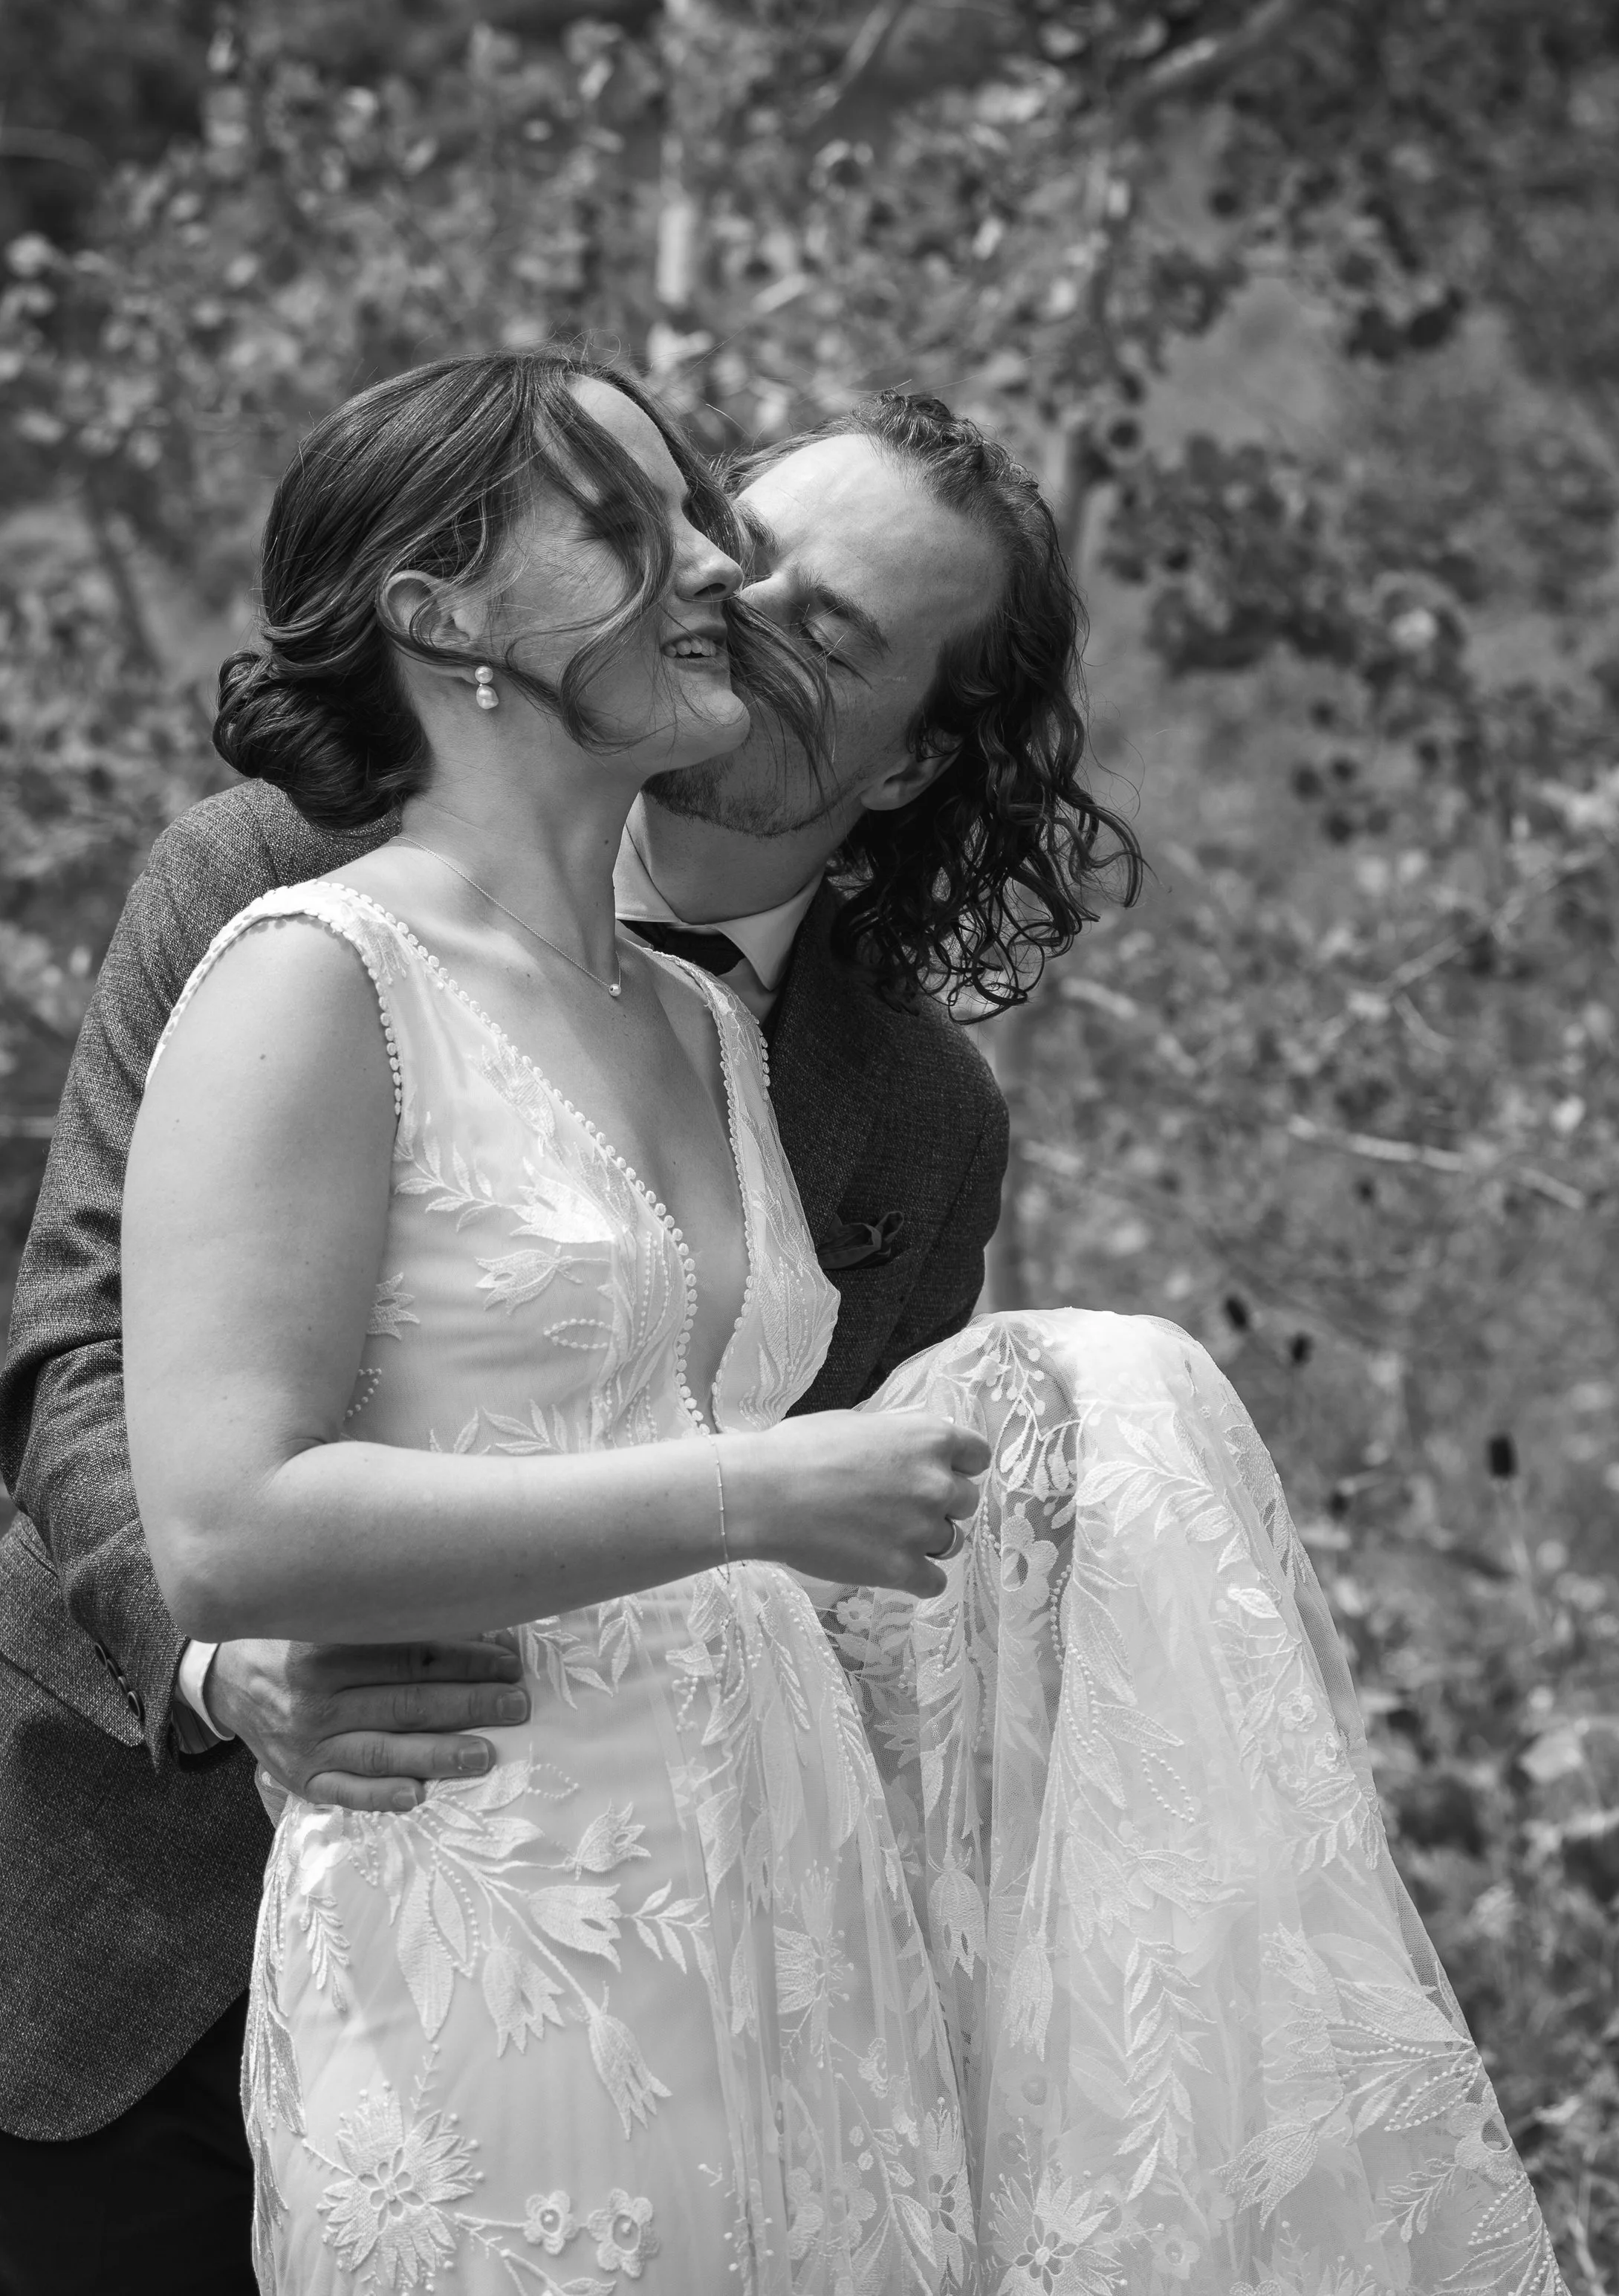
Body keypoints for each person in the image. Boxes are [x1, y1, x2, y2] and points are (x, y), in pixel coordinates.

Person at [0, 371, 1135, 2292]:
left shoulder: (903, 1113)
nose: (732, 601)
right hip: (152, 1927)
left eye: (827, 627)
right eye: (726, 538)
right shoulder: (274, 889)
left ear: (922, 754)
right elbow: (79, 1350)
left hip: (666, 1968)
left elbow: (828, 1586)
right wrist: (233, 1663)